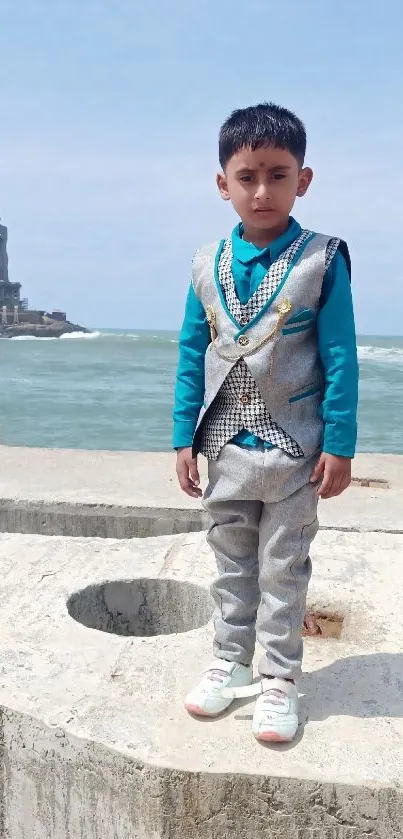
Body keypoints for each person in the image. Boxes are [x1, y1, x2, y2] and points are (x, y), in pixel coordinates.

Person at [173, 102, 358, 743]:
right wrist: (181, 436)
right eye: (246, 176)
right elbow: (191, 352)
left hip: (297, 453)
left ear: (302, 180)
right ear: (222, 183)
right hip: (224, 447)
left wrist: (340, 443)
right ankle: (228, 661)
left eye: (278, 174)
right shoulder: (204, 263)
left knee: (284, 565)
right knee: (229, 562)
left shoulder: (322, 259)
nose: (262, 190)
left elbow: (340, 355)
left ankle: (279, 679)